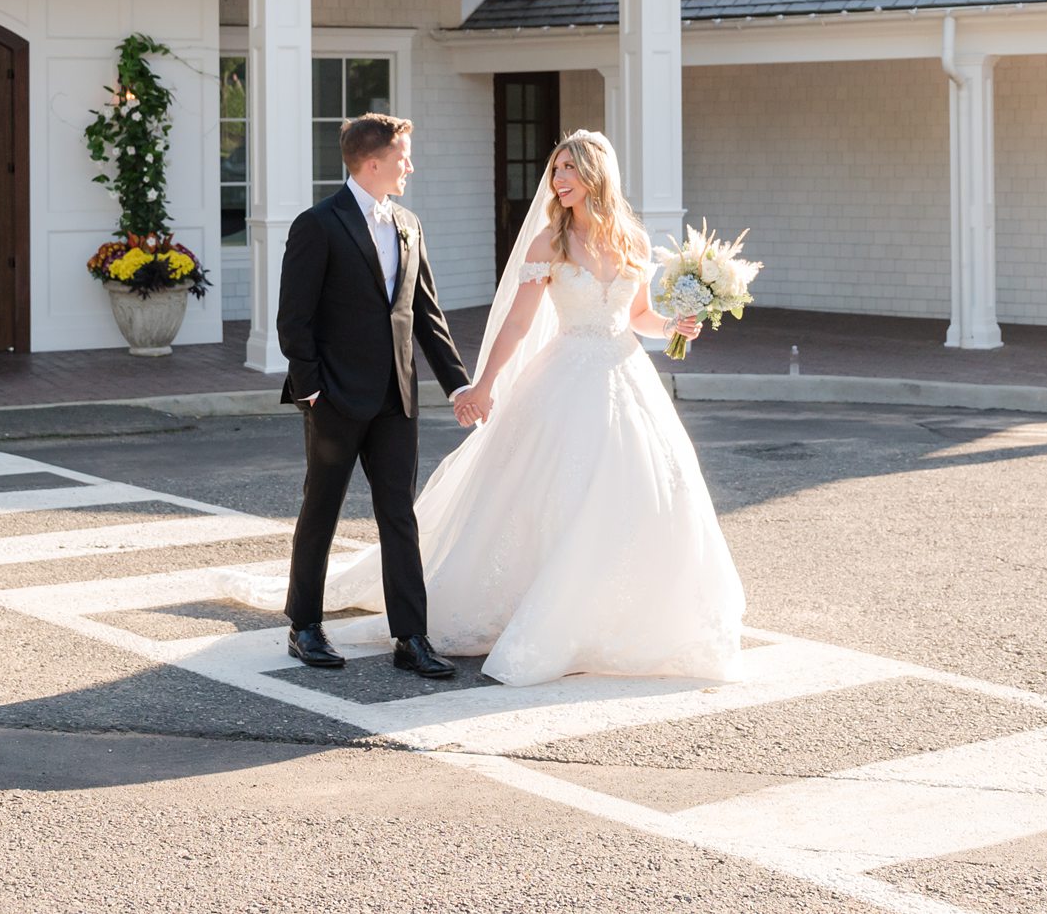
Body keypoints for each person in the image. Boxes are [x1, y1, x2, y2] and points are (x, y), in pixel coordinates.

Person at [302, 130, 745, 686]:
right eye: (555, 170)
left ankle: (617, 617)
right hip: (566, 378)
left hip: (628, 374)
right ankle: (543, 614)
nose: (557, 181)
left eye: (568, 171)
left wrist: (677, 325)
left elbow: (639, 316)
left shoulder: (631, 240)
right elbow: (516, 322)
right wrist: (481, 385)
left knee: (646, 493)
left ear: (595, 176)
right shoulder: (548, 244)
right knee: (559, 496)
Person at [274, 112, 472, 679]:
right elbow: (295, 319)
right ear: (374, 161)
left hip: (395, 400)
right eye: (404, 155)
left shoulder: (408, 223)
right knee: (321, 510)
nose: (410, 165)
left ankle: (411, 637)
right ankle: (304, 625)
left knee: (399, 517)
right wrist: (311, 391)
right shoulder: (318, 224)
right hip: (333, 398)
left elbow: (426, 314)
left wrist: (458, 383)